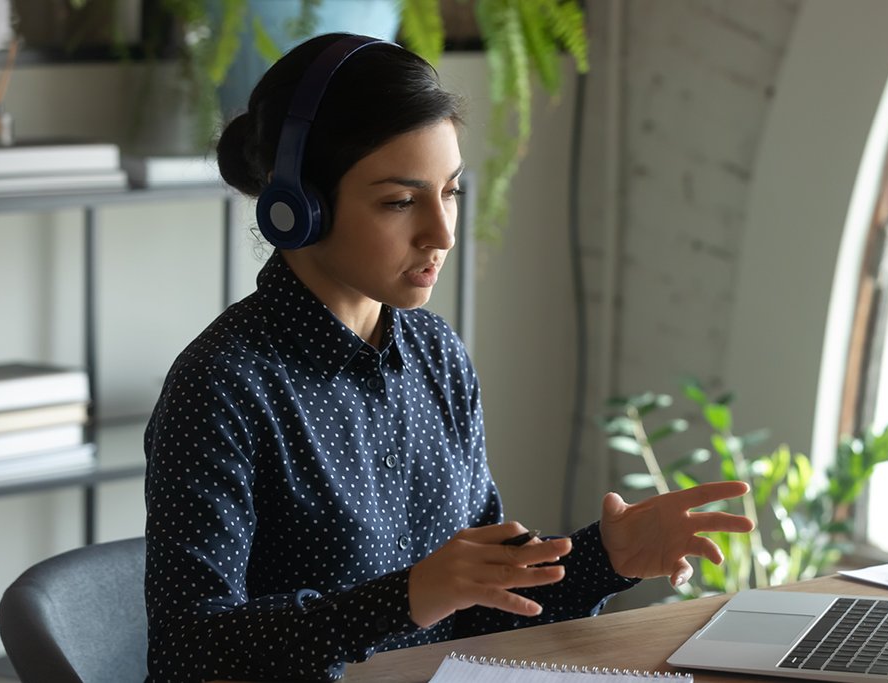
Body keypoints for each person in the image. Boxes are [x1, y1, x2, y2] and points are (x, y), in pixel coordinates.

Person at [143, 32, 754, 683]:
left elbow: (482, 608)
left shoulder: (436, 354)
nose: (441, 232)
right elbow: (189, 647)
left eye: (453, 191)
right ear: (299, 210)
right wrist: (409, 595)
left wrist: (607, 557)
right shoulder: (221, 386)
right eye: (400, 201)